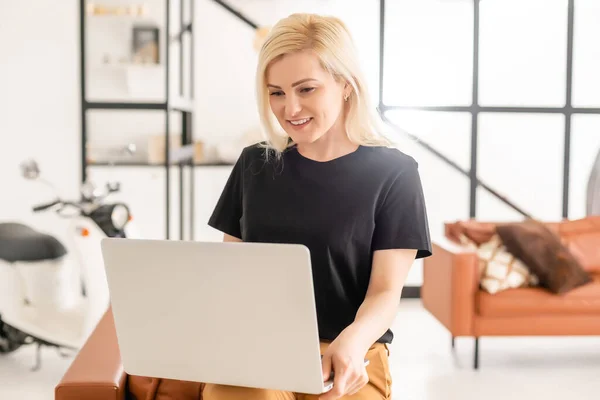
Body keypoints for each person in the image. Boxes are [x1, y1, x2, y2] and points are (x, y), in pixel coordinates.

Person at [206, 12, 432, 400]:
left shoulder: (395, 173)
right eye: (276, 92)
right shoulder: (254, 165)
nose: (289, 108)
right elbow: (235, 276)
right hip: (260, 349)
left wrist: (353, 342)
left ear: (345, 84)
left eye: (306, 89)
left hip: (349, 350)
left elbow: (384, 292)